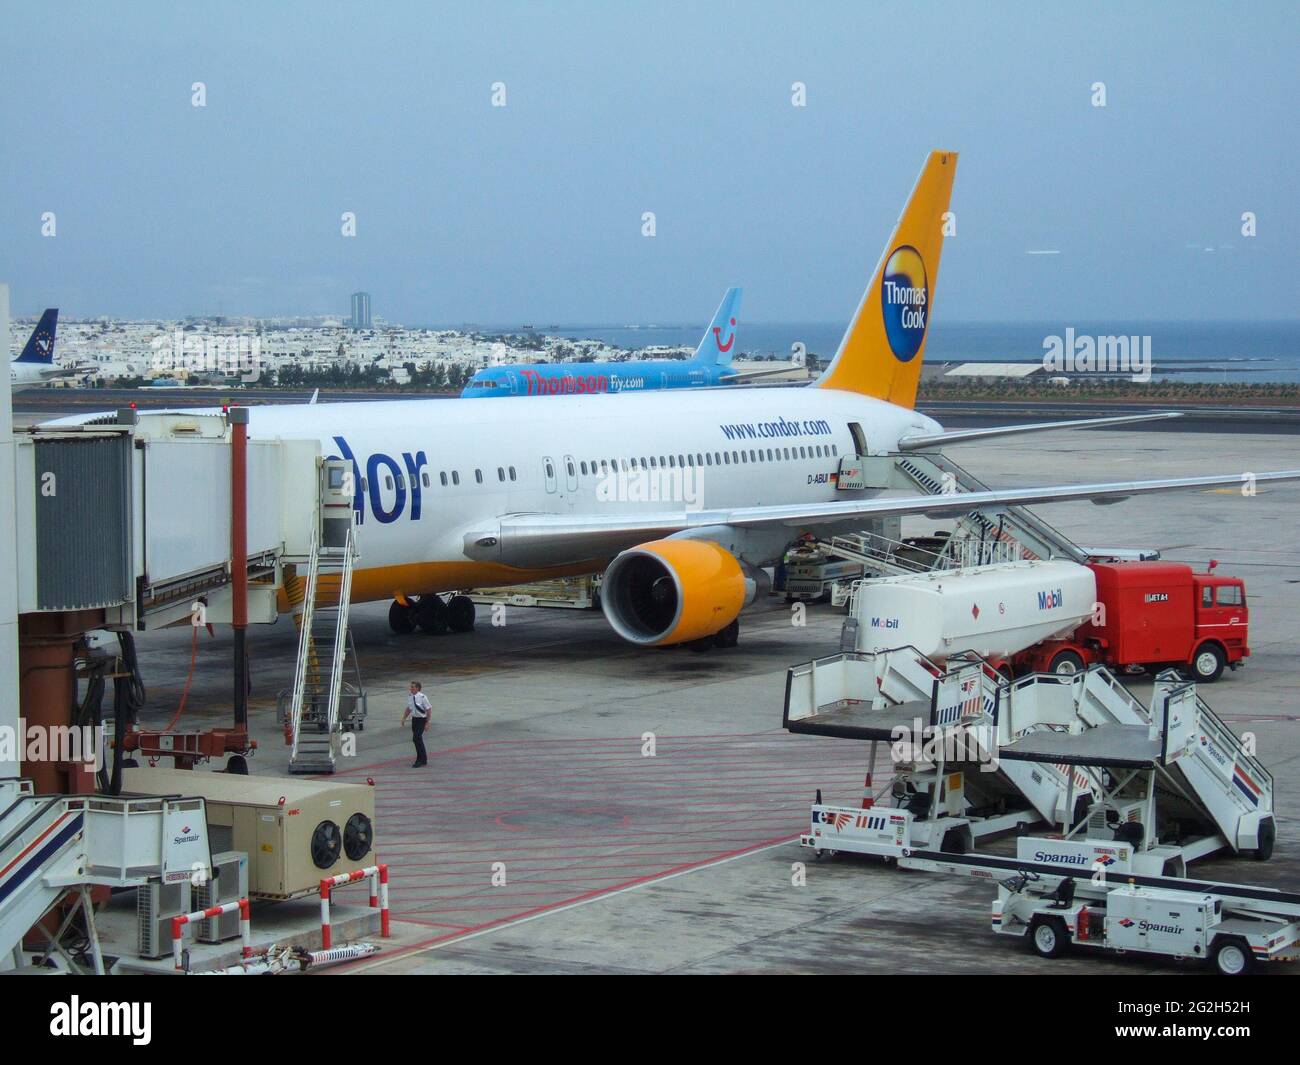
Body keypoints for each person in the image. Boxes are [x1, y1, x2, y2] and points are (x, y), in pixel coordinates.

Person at [401, 680, 431, 767]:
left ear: (417, 688)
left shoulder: (422, 697)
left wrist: (427, 722)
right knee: (417, 739)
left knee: (416, 738)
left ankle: (419, 760)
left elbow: (428, 709)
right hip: (415, 720)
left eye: (412, 687)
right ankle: (423, 758)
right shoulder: (410, 696)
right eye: (411, 687)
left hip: (422, 720)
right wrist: (404, 718)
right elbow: (409, 708)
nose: (410, 689)